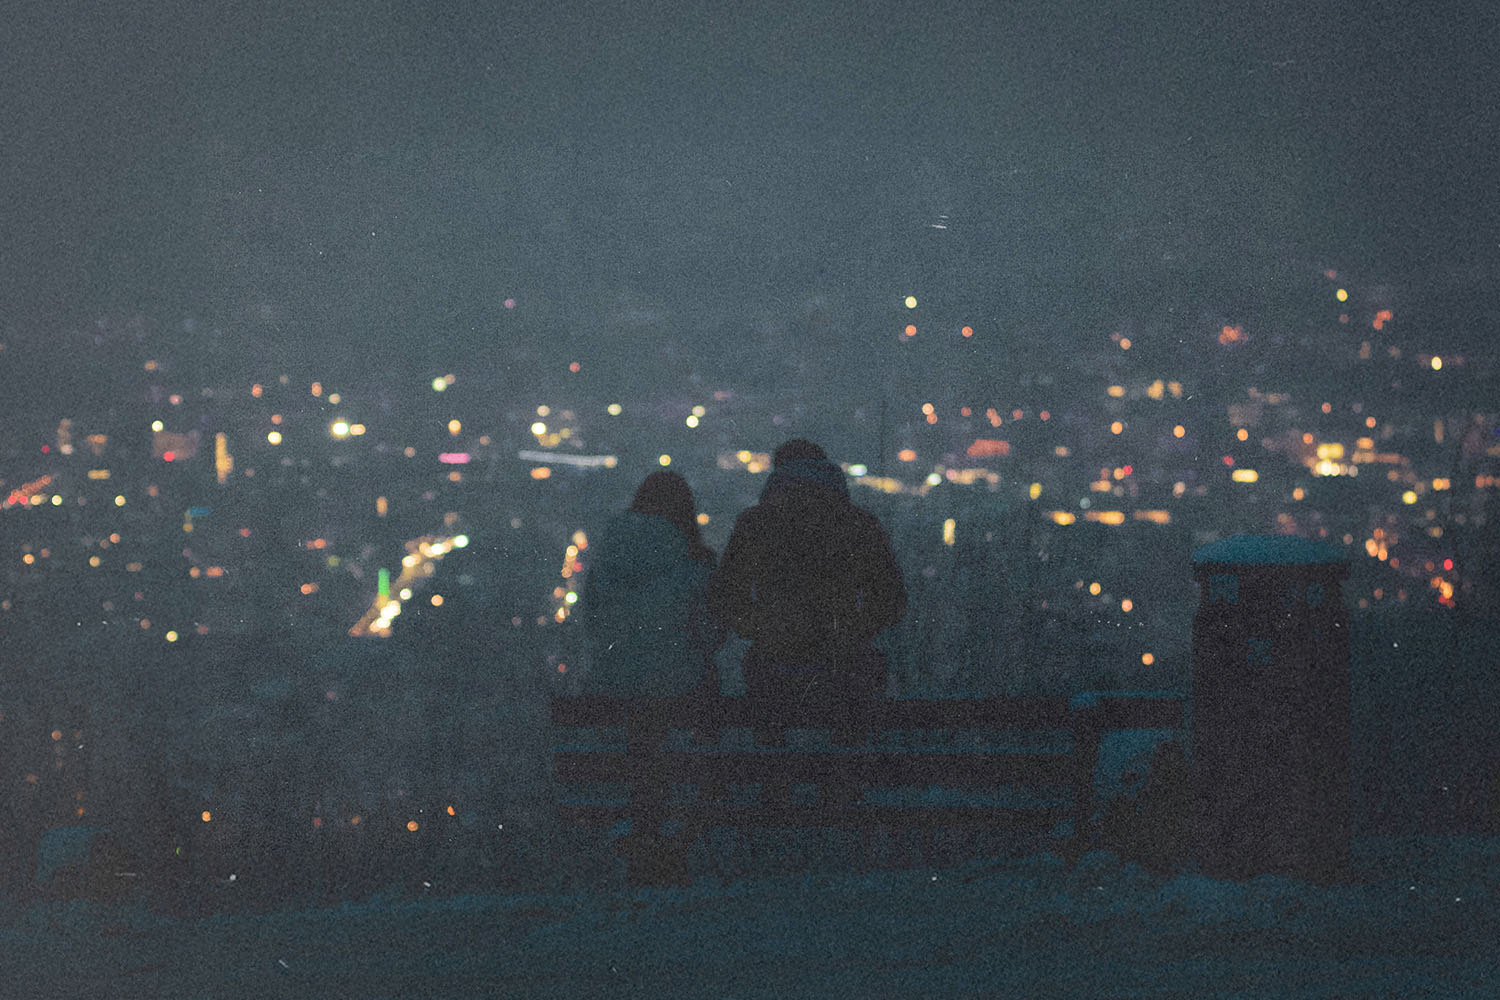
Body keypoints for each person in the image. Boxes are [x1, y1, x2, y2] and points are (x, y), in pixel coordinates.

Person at [577, 471, 724, 884]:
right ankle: (679, 839)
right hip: (679, 689)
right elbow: (711, 633)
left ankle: (646, 838)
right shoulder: (695, 562)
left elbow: (592, 622)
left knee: (644, 738)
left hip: (617, 687)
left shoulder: (608, 555)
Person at [710, 439, 906, 744]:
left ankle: (777, 787)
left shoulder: (757, 523)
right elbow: (890, 599)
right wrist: (850, 630)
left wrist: (765, 628)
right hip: (844, 666)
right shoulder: (858, 524)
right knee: (843, 764)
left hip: (773, 663)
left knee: (773, 764)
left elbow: (727, 594)